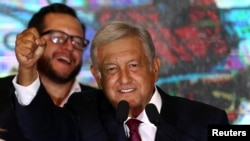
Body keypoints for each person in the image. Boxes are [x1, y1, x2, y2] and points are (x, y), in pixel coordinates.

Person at [65, 20, 230, 141]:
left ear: (155, 68)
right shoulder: (83, 114)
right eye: (111, 69)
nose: (124, 78)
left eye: (134, 65)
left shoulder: (208, 121)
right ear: (98, 77)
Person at [0, 3, 97, 141]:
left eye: (77, 42)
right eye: (57, 38)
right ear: (33, 40)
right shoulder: (1, 95)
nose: (69, 47)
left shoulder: (100, 106)